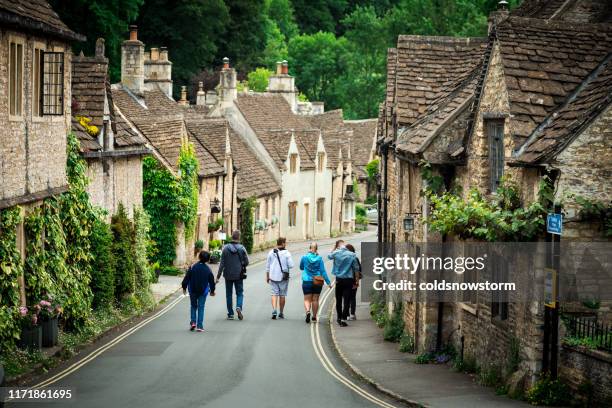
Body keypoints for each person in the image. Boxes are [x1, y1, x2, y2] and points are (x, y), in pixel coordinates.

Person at [216, 230, 249, 320]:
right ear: (239, 238)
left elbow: (222, 264)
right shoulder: (242, 248)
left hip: (228, 275)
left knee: (229, 294)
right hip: (238, 274)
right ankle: (238, 307)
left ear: (232, 237)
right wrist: (241, 264)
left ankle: (230, 314)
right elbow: (247, 262)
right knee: (239, 293)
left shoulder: (225, 248)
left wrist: (218, 277)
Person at [182, 251, 216, 332]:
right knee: (201, 307)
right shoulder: (208, 269)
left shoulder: (193, 267)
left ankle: (193, 322)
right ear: (207, 260)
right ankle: (200, 326)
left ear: (199, 257)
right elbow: (211, 281)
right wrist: (212, 291)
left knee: (193, 306)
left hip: (193, 290)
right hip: (203, 291)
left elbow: (186, 278)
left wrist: (184, 287)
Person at [328, 240, 360, 327]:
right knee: (347, 300)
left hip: (339, 279)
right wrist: (357, 280)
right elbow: (356, 269)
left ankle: (338, 317)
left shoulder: (336, 253)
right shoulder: (352, 255)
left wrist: (334, 249)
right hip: (348, 280)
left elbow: (329, 256)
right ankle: (343, 318)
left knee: (338, 300)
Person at [299, 242, 331, 323]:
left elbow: (301, 267)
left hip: (307, 280)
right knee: (315, 299)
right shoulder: (319, 258)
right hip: (317, 281)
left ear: (310, 248)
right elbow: (323, 272)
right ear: (316, 249)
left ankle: (308, 312)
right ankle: (314, 316)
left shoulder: (304, 257)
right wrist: (328, 282)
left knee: (307, 299)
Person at [266, 237, 294, 319]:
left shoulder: (271, 252)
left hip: (273, 276)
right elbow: (291, 265)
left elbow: (267, 266)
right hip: (283, 277)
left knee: (274, 294)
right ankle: (281, 312)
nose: (286, 244)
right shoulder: (287, 253)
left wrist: (267, 276)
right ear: (282, 244)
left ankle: (274, 310)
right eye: (285, 242)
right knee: (282, 295)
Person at [345, 244, 362, 321]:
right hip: (353, 280)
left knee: (345, 298)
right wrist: (357, 281)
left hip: (344, 280)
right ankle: (352, 314)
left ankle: (347, 315)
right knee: (352, 297)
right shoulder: (355, 258)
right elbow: (358, 270)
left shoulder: (343, 259)